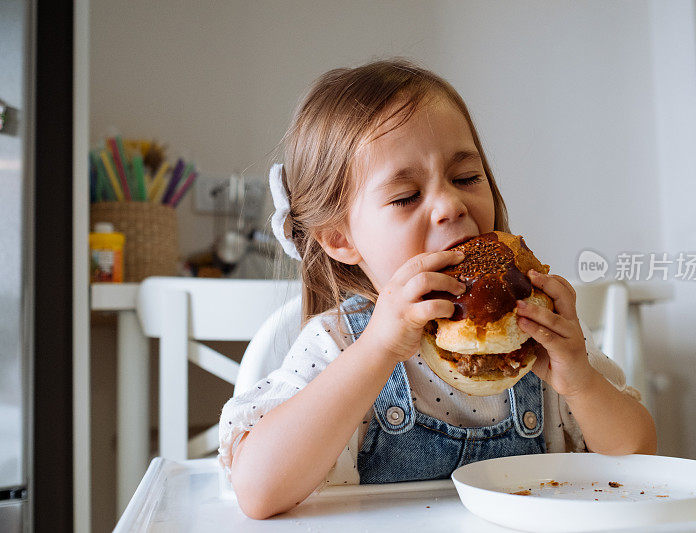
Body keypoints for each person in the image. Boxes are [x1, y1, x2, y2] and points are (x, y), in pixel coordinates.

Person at [218, 58, 657, 519]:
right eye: (406, 196)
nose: (451, 204)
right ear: (339, 238)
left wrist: (580, 380)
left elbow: (639, 463)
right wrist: (377, 352)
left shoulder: (536, 333)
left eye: (466, 178)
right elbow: (259, 492)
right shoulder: (340, 345)